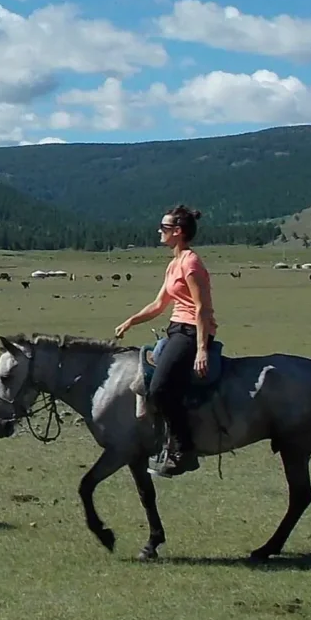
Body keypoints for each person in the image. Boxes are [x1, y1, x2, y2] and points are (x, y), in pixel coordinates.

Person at [114, 204, 215, 476]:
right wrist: (131, 320)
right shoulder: (174, 264)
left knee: (159, 389)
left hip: (191, 331)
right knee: (146, 381)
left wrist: (202, 349)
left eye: (164, 228)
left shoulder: (191, 263)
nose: (160, 231)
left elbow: (202, 308)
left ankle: (185, 450)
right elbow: (159, 304)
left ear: (178, 232)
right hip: (175, 329)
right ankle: (161, 441)